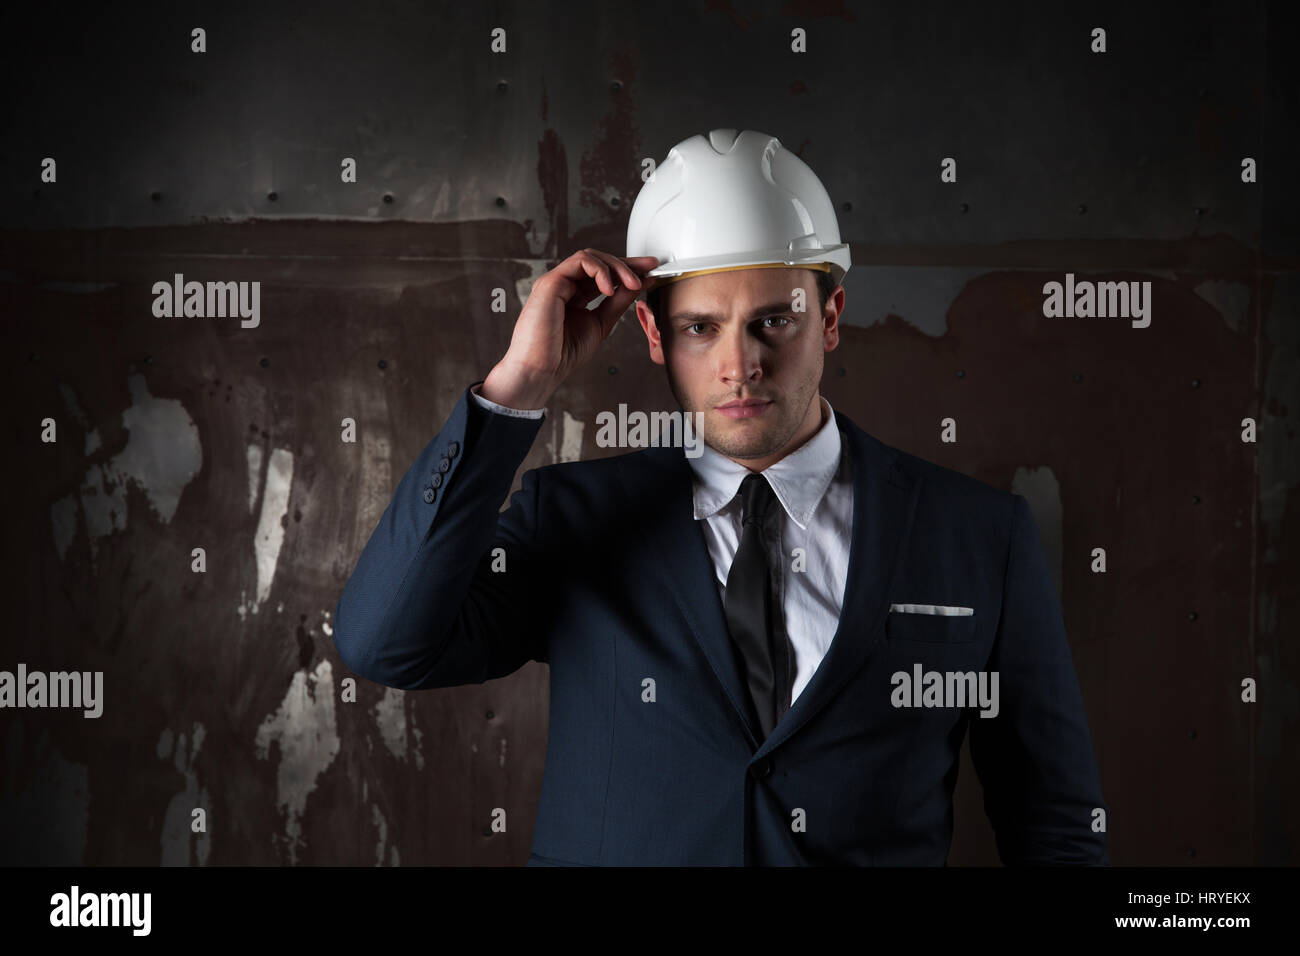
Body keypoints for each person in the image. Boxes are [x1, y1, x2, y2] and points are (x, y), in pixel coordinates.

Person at [333, 129, 1109, 866]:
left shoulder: (977, 534)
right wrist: (518, 388)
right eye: (701, 328)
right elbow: (384, 642)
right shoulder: (573, 521)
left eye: (773, 320)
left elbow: (1055, 827)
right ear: (652, 333)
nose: (740, 366)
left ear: (829, 318)